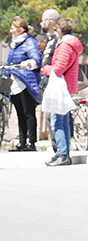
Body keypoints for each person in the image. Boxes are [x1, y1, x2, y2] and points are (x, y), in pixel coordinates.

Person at [42, 18, 84, 166]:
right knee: (64, 119)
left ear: (60, 30)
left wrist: (46, 69)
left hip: (61, 86)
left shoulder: (65, 45)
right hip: (68, 85)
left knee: (57, 121)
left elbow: (59, 68)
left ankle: (62, 153)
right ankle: (63, 151)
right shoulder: (73, 44)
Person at [6, 16, 42, 152]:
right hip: (15, 82)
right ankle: (22, 142)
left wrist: (27, 63)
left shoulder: (29, 42)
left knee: (29, 113)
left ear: (21, 29)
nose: (11, 31)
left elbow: (37, 59)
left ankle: (31, 143)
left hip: (26, 81)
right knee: (19, 113)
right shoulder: (14, 43)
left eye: (13, 28)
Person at [39, 8, 61, 153]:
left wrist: (48, 70)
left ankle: (60, 148)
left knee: (55, 116)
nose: (40, 23)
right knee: (49, 115)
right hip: (46, 80)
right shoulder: (50, 39)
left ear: (49, 21)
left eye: (42, 20)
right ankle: (57, 147)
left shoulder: (59, 39)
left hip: (55, 81)